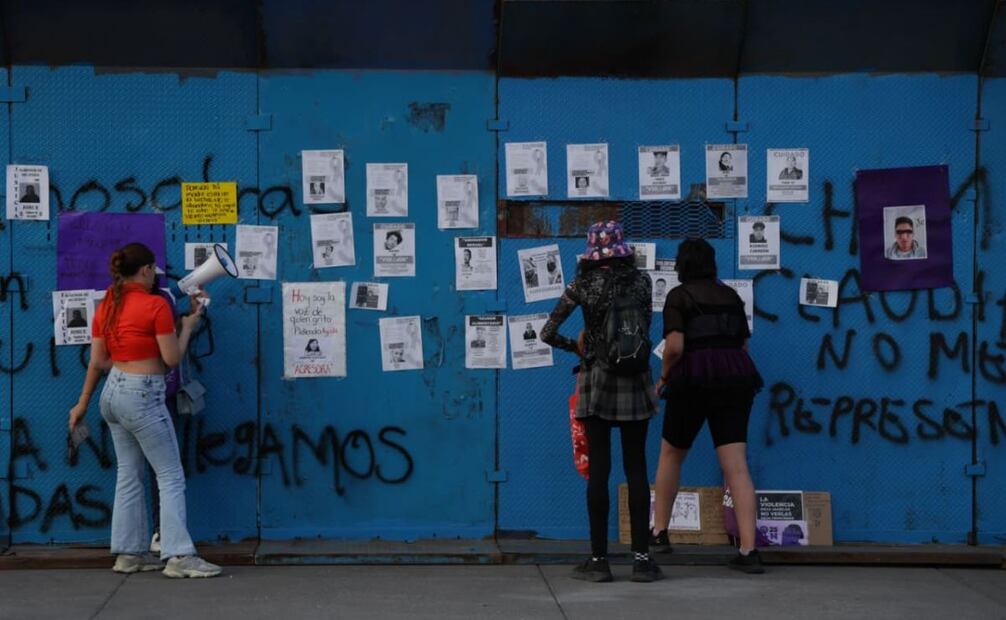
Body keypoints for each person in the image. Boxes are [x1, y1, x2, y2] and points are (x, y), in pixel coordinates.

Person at [68, 243, 221, 579]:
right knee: (170, 475)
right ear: (145, 270)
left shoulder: (107, 304)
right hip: (142, 395)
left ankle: (129, 554)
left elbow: (98, 361)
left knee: (129, 474)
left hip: (112, 395)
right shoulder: (155, 306)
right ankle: (179, 555)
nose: (155, 276)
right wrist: (188, 327)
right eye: (153, 270)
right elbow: (171, 359)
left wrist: (82, 403)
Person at [541, 220, 662, 583]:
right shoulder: (642, 282)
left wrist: (578, 347)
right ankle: (642, 560)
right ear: (623, 250)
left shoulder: (583, 284)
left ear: (591, 252)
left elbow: (548, 332)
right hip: (636, 379)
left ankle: (598, 561)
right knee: (637, 468)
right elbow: (643, 328)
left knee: (599, 470)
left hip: (598, 379)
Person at [650, 238, 765, 574]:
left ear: (682, 265)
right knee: (736, 465)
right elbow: (743, 344)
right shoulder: (730, 296)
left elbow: (674, 346)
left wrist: (663, 377)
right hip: (735, 377)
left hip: (693, 379)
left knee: (672, 453)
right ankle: (749, 550)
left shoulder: (679, 296)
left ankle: (659, 533)